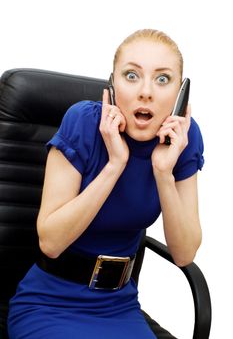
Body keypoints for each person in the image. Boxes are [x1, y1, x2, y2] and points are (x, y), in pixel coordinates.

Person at [7, 29, 204, 339]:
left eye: (163, 79)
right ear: (112, 85)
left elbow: (184, 254)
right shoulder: (83, 122)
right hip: (50, 304)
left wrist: (164, 173)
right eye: (131, 75)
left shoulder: (183, 140)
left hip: (119, 306)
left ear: (181, 95)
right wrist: (115, 165)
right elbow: (51, 242)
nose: (146, 92)